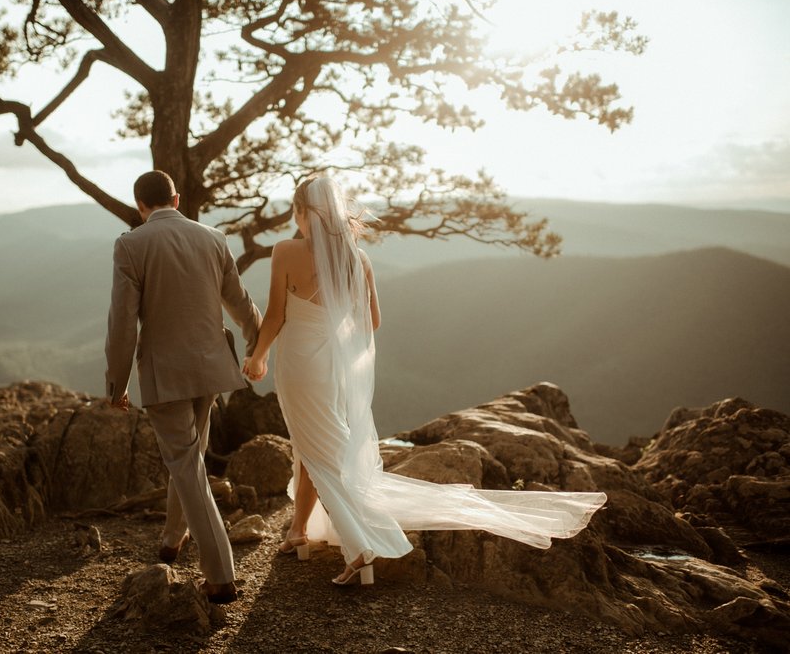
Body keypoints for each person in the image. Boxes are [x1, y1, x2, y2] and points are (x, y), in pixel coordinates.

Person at [243, 174, 607, 586]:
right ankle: (299, 532)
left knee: (322, 453)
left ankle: (361, 545)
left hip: (299, 366)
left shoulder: (287, 251)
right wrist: (333, 330)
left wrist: (258, 356)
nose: (298, 220)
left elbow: (274, 315)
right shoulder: (357, 259)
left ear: (305, 213)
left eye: (298, 212)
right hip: (332, 368)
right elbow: (372, 322)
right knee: (318, 446)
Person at [106, 170, 262, 604]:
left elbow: (122, 323)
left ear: (140, 205)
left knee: (188, 467)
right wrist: (256, 342)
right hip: (211, 368)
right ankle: (173, 538)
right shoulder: (213, 237)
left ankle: (220, 574)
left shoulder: (130, 244)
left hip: (165, 373)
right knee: (188, 460)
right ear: (175, 198)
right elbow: (240, 299)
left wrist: (117, 383)